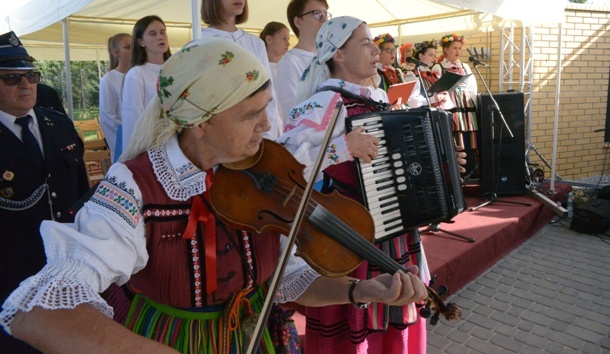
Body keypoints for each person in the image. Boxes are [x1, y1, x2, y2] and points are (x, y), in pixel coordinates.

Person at [0, 37, 427, 354]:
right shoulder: (134, 186)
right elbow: (39, 309)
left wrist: (362, 291)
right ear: (199, 121)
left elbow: (281, 280)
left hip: (259, 338)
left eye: (266, 108)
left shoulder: (264, 171)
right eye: (251, 114)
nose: (266, 126)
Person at [279, 17, 431, 353]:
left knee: (397, 315)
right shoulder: (323, 103)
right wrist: (341, 148)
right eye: (365, 43)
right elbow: (283, 168)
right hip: (349, 240)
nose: (376, 50)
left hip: (394, 232)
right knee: (357, 326)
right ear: (339, 55)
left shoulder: (377, 98)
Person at [0, 31, 89, 353]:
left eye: (31, 76)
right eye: (12, 78)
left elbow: (81, 191)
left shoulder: (58, 124)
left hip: (67, 262)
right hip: (14, 269)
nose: (25, 85)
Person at [201, 0, 283, 137]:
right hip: (222, 138)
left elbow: (269, 95)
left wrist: (270, 138)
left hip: (259, 137)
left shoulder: (255, 43)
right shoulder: (201, 42)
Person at [275, 0, 330, 122]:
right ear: (298, 21)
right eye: (316, 13)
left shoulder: (330, 57)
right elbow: (293, 114)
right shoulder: (289, 63)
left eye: (325, 13)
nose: (324, 19)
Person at [121, 16, 170, 153]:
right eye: (153, 34)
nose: (160, 37)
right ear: (141, 42)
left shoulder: (176, 69)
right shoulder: (136, 74)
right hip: (151, 147)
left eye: (162, 32)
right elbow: (134, 118)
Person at [432, 33, 479, 174]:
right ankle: (455, 176)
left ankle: (470, 172)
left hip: (466, 110)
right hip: (450, 109)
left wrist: (476, 109)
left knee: (469, 142)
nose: (458, 51)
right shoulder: (438, 67)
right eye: (454, 48)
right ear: (446, 49)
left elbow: (472, 90)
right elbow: (436, 90)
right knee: (455, 141)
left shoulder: (464, 66)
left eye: (460, 48)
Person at [99, 32, 131, 161]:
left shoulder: (138, 76)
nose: (134, 50)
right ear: (116, 53)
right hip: (126, 144)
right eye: (128, 47)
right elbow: (108, 118)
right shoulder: (109, 80)